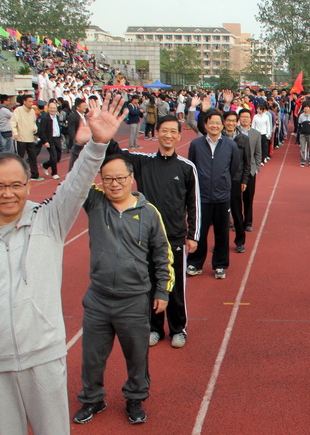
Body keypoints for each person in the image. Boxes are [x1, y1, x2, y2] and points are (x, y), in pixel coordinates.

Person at [0, 93, 126, 434]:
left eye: (15, 185)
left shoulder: (49, 220)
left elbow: (75, 186)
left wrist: (96, 146)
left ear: (28, 186)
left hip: (43, 356)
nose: (7, 193)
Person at [73, 154, 173, 425]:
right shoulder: (95, 203)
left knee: (137, 356)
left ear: (131, 179)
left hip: (134, 300)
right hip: (98, 299)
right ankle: (92, 398)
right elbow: (77, 178)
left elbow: (162, 255)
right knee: (92, 356)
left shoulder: (149, 212)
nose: (114, 184)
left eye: (120, 178)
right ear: (101, 182)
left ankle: (135, 398)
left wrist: (162, 291)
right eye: (107, 179)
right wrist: (84, 145)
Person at [106, 115, 200, 349]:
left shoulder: (186, 168)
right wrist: (106, 134)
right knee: (149, 284)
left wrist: (193, 235)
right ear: (156, 133)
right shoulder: (142, 162)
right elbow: (115, 154)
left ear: (179, 136)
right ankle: (155, 328)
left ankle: (179, 329)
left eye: (173, 131)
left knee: (175, 287)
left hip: (175, 238)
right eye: (164, 130)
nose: (168, 135)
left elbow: (194, 202)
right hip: (145, 237)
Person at [187, 110, 240, 279]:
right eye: (211, 122)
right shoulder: (196, 145)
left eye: (218, 122)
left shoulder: (231, 146)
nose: (215, 125)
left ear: (222, 125)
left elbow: (233, 168)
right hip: (201, 197)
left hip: (222, 196)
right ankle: (195, 263)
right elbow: (192, 168)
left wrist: (223, 184)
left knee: (222, 233)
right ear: (205, 125)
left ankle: (220, 264)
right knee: (199, 233)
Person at [222, 111, 252, 253]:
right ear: (224, 122)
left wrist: (244, 179)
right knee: (220, 214)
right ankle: (220, 243)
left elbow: (247, 162)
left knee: (236, 211)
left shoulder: (243, 139)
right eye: (228, 120)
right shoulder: (219, 138)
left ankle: (240, 240)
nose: (231, 123)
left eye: (234, 120)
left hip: (236, 179)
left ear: (237, 122)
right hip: (220, 179)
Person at [238, 108, 263, 233]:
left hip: (251, 170)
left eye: (247, 117)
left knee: (248, 197)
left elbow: (258, 152)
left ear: (250, 119)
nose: (244, 119)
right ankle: (236, 220)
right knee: (235, 198)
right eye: (242, 116)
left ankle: (247, 222)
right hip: (236, 169)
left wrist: (256, 167)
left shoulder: (256, 134)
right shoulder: (234, 132)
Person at [10, 95, 42, 180]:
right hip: (20, 138)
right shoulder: (18, 110)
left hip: (30, 137)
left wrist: (35, 129)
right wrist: (15, 133)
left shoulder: (32, 111)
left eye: (32, 101)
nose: (31, 103)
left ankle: (35, 174)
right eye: (30, 101)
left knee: (33, 156)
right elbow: (13, 122)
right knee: (20, 157)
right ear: (24, 102)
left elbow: (33, 122)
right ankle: (18, 174)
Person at [38, 102, 63, 179]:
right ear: (48, 108)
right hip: (50, 139)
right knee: (54, 157)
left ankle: (45, 165)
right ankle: (54, 173)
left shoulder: (57, 117)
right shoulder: (45, 118)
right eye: (51, 108)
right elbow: (41, 131)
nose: (52, 110)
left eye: (54, 108)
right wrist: (45, 141)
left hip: (57, 138)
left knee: (58, 156)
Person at [68, 98, 87, 171]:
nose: (85, 107)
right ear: (78, 107)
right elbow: (71, 130)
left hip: (85, 141)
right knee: (75, 161)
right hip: (78, 142)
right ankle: (70, 177)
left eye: (85, 105)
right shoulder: (73, 116)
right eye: (83, 106)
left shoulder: (84, 116)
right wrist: (75, 141)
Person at [298, 102, 310, 167]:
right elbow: (299, 124)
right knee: (302, 149)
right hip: (302, 134)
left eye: (307, 107)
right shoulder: (301, 115)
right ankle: (303, 161)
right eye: (304, 107)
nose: (306, 109)